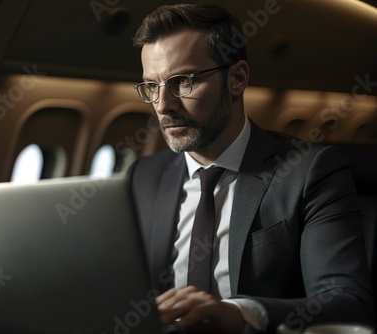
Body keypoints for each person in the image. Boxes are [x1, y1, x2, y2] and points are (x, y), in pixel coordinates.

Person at [128, 3, 374, 333]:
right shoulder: (142, 176)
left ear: (237, 78)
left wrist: (240, 313)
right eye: (151, 86)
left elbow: (347, 302)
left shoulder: (311, 172)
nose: (163, 105)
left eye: (182, 81)